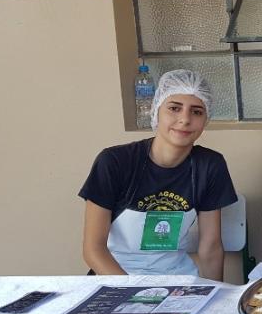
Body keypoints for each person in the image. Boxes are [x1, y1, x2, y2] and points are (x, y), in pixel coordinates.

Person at [80, 69, 237, 279]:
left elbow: (210, 248)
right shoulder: (115, 162)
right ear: (156, 110)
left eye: (197, 111)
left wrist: (215, 298)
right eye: (174, 108)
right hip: (115, 278)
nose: (185, 119)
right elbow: (94, 250)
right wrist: (134, 294)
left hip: (176, 278)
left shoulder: (209, 165)